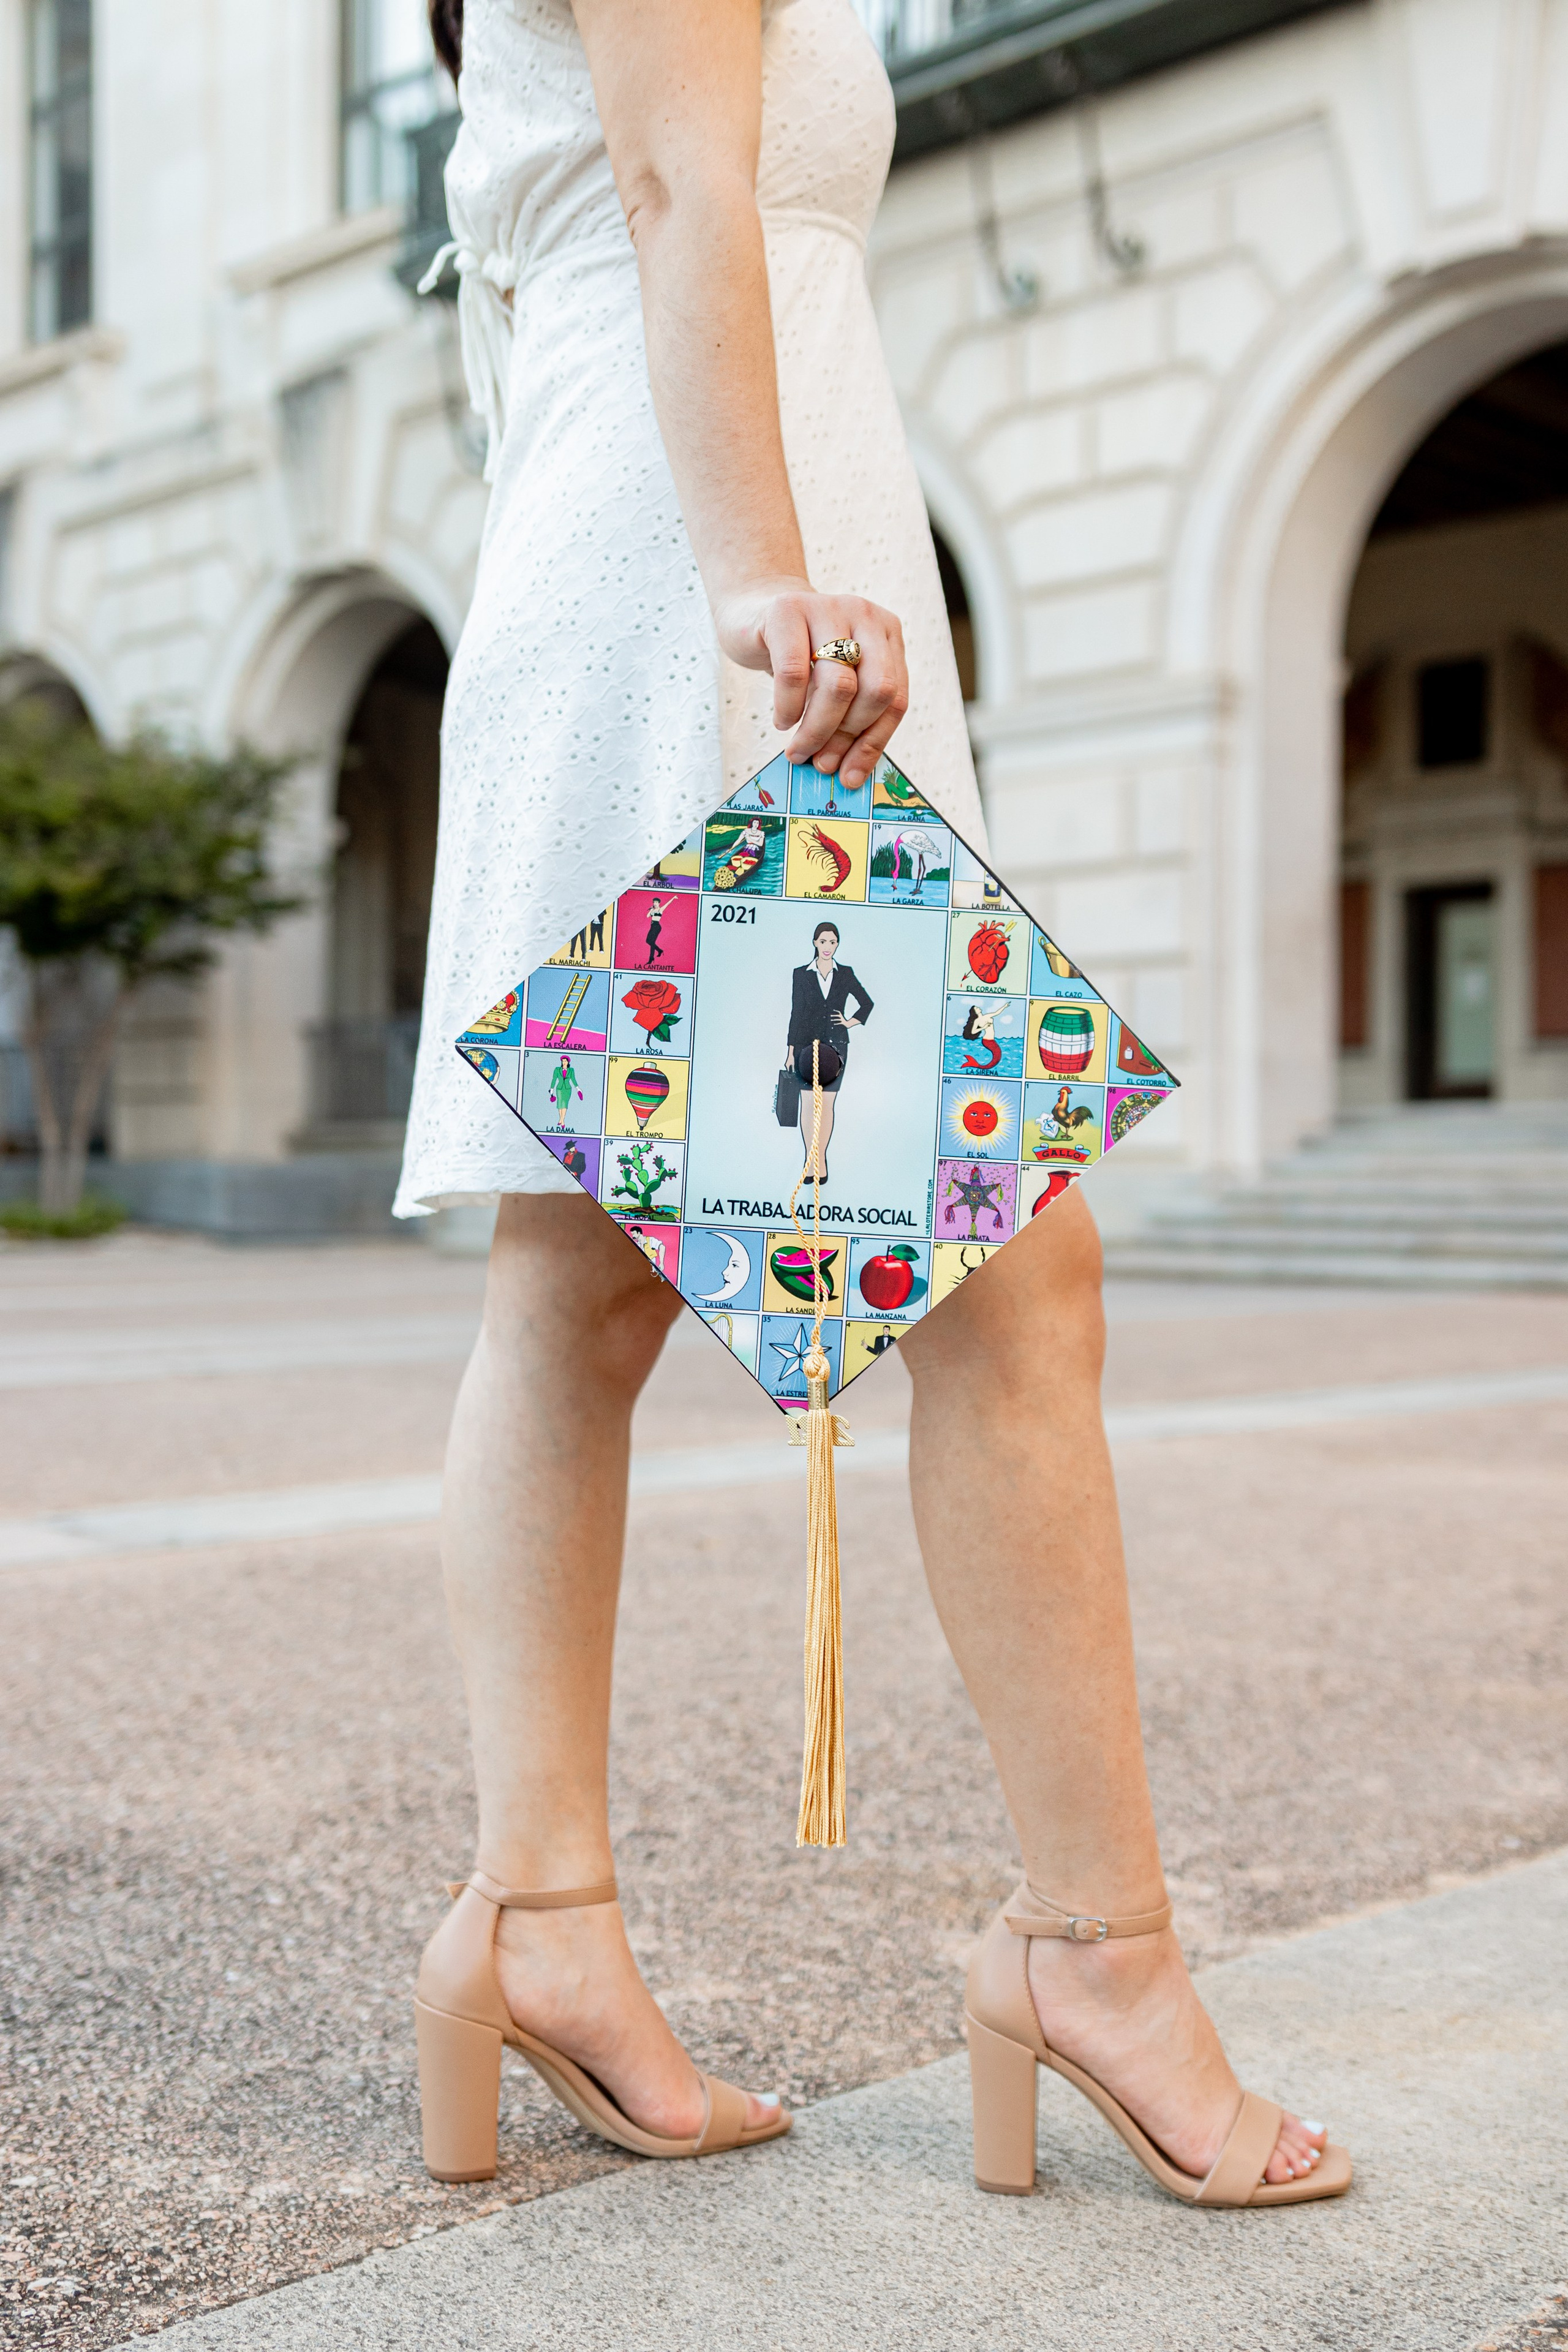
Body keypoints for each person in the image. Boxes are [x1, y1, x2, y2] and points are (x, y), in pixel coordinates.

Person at [396, 0, 1346, 2203]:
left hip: (687, 546)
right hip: (718, 587)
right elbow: (672, 192)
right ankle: (1093, 1957)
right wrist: (755, 583)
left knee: (581, 1295)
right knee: (1008, 1282)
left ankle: (538, 1919)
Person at [785, 919, 871, 1183]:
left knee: (828, 1106)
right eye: (823, 942)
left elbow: (866, 1003)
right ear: (815, 943)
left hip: (836, 1046)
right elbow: (796, 1012)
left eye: (833, 942)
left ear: (837, 945)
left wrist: (849, 1022)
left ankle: (819, 1160)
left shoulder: (845, 973)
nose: (828, 947)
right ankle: (811, 1161)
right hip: (803, 1047)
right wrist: (790, 1051)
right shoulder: (801, 973)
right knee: (808, 1104)